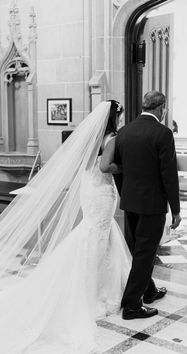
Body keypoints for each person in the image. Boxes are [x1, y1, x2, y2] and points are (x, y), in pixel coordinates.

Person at [0, 101, 131, 353]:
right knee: (98, 235)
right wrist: (124, 167)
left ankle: (97, 286)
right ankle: (97, 294)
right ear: (114, 119)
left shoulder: (92, 138)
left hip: (89, 187)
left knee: (93, 232)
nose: (122, 121)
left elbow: (87, 165)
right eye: (120, 117)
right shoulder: (111, 138)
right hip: (101, 190)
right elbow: (105, 167)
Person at [112, 91, 181, 320]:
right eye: (166, 108)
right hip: (152, 205)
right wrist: (176, 210)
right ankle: (132, 306)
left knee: (140, 252)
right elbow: (169, 175)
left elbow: (118, 170)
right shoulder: (163, 134)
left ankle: (149, 291)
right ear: (161, 108)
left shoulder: (123, 132)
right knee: (145, 254)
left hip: (130, 202)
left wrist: (126, 195)